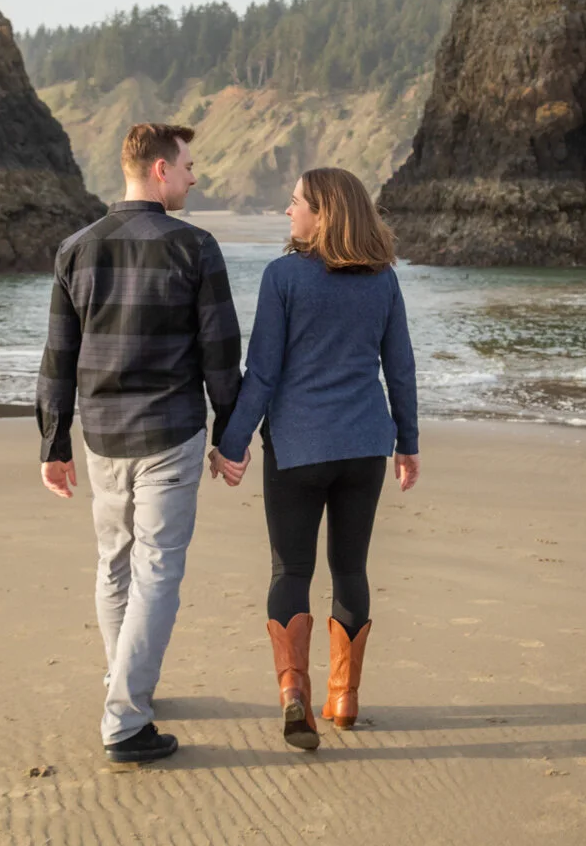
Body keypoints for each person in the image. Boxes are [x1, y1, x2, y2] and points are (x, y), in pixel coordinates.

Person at [36, 122, 242, 765]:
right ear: (158, 170)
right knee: (156, 569)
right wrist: (231, 435)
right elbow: (221, 353)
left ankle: (125, 677)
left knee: (116, 561)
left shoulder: (75, 248)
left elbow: (58, 357)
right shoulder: (195, 247)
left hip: (101, 436)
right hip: (170, 431)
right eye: (186, 166)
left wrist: (54, 441)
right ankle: (125, 719)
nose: (193, 177)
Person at [212, 167, 418, 750]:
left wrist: (230, 443)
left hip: (298, 449)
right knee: (350, 570)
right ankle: (345, 699)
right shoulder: (383, 280)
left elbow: (264, 373)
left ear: (323, 213)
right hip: (364, 447)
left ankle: (294, 695)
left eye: (296, 202)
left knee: (290, 571)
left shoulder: (283, 278)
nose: (288, 211)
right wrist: (409, 443)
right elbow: (399, 369)